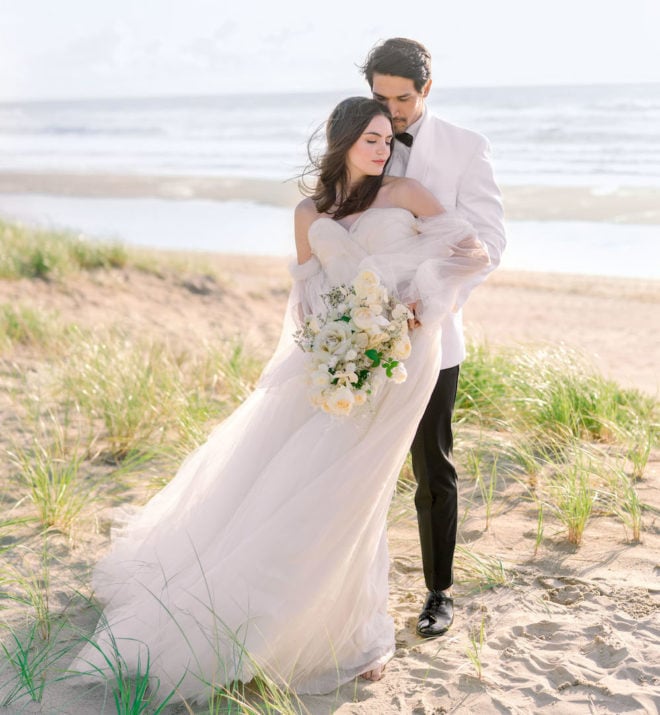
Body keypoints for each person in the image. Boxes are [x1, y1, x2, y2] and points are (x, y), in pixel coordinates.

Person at [70, 96, 490, 704]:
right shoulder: (308, 211)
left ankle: (351, 630)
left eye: (386, 139)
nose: (381, 148)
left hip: (399, 357)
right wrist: (324, 347)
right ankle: (274, 625)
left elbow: (469, 252)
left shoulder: (407, 193)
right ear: (342, 140)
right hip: (333, 358)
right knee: (305, 477)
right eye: (370, 138)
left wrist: (420, 302)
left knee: (356, 485)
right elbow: (309, 292)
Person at [360, 38, 506, 639]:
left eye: (402, 98)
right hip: (361, 336)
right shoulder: (361, 138)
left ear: (426, 89)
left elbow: (488, 246)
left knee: (432, 468)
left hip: (435, 338)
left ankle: (439, 592)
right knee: (357, 468)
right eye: (380, 98)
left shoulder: (466, 149)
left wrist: (429, 301)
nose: (391, 111)